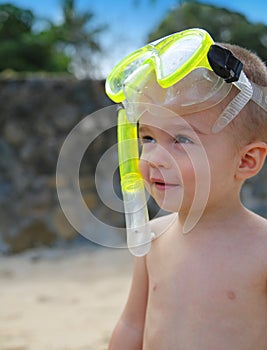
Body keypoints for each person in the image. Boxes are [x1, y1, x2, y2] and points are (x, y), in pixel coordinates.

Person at [105, 28, 267, 350]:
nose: (153, 158)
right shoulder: (150, 238)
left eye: (181, 140)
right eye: (148, 138)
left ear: (246, 161)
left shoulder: (262, 251)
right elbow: (132, 324)